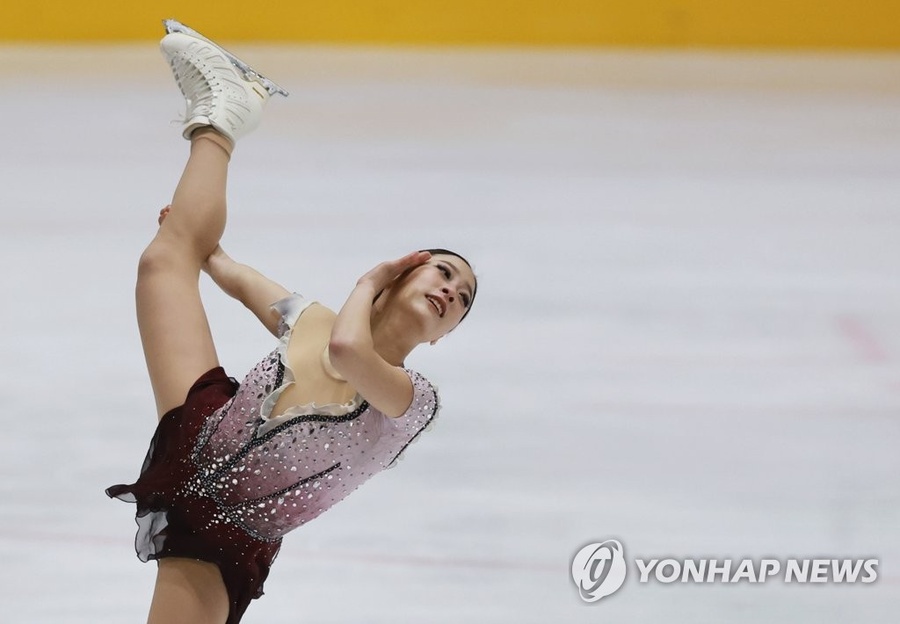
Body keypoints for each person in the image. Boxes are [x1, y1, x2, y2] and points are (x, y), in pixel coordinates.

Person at [106, 20, 477, 624]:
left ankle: (231, 107)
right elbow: (225, 269)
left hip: (228, 528)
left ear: (445, 335)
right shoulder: (308, 318)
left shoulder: (413, 401)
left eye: (462, 298)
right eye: (441, 271)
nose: (450, 290)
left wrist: (366, 283)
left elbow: (350, 349)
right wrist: (191, 234)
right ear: (407, 275)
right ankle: (223, 112)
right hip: (202, 425)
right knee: (164, 259)